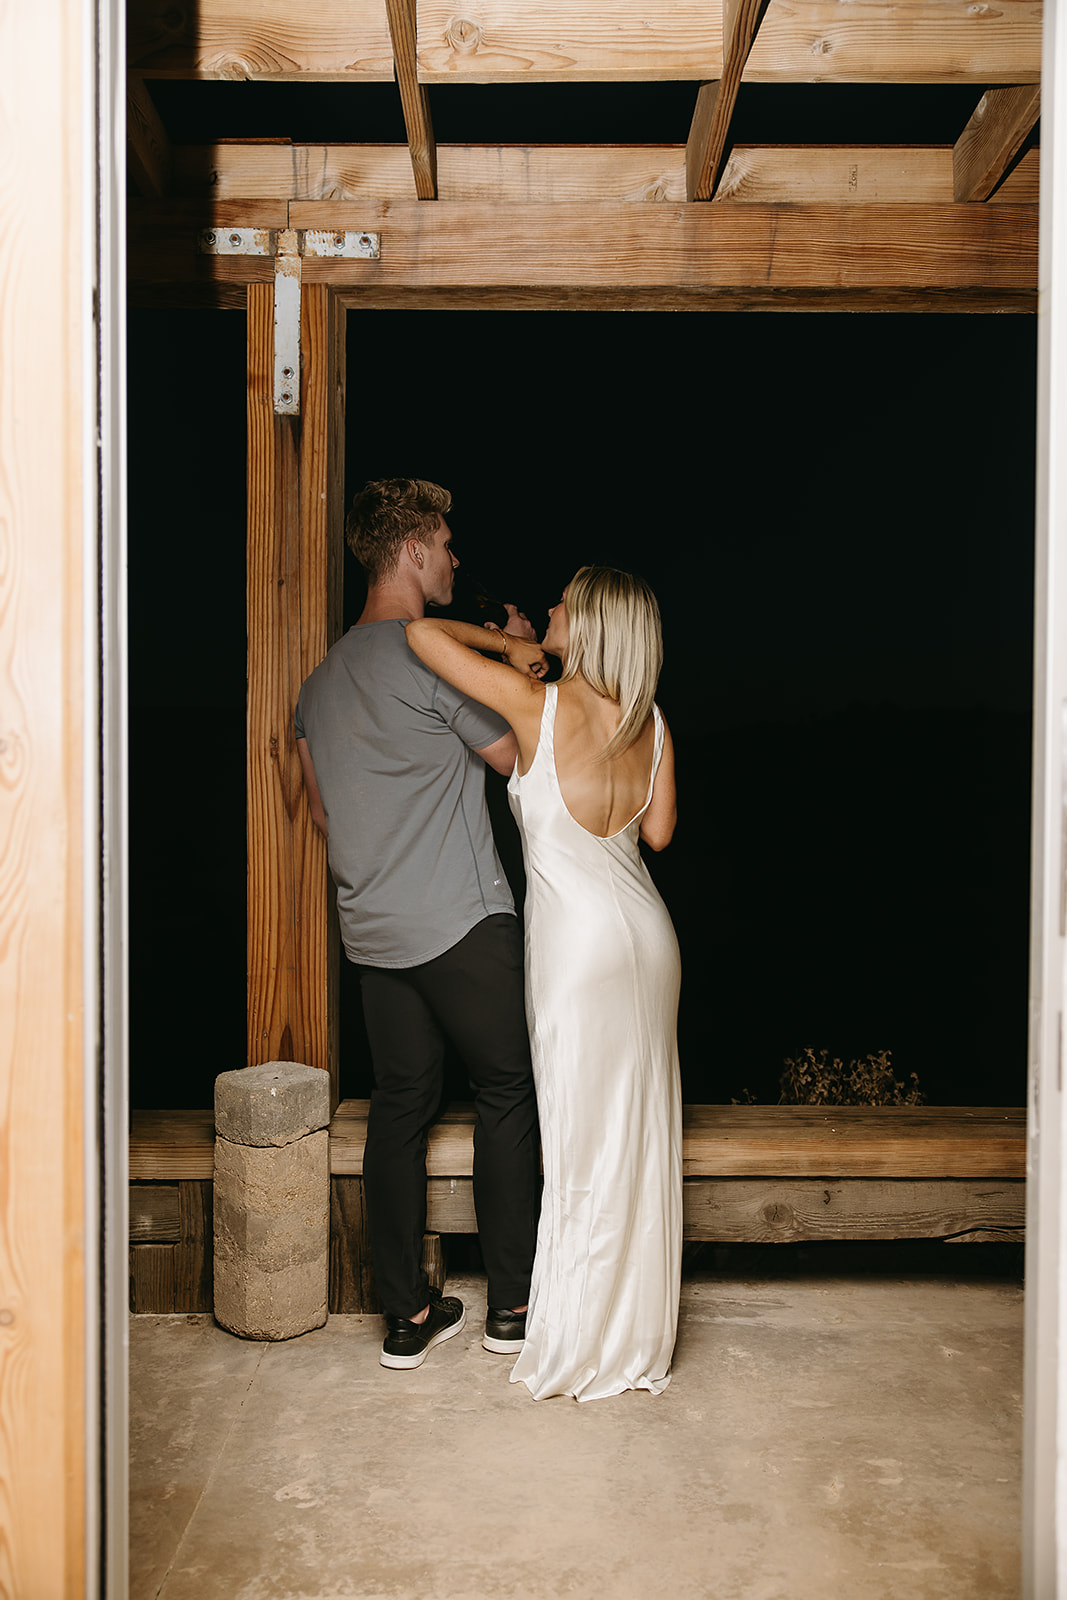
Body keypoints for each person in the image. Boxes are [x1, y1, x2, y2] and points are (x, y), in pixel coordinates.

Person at [406, 566, 682, 1401]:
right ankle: (637, 1335)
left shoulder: (538, 705)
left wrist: (513, 646)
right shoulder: (653, 723)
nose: (551, 608)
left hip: (575, 946)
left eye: (564, 602)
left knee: (576, 1136)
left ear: (588, 624)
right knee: (638, 1135)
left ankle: (576, 1335)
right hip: (647, 933)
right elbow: (659, 834)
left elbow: (421, 636)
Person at [294, 478, 541, 1371]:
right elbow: (518, 758)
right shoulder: (430, 657)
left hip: (375, 938)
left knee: (400, 1107)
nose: (454, 557)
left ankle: (405, 1318)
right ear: (410, 552)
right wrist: (515, 658)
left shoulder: (320, 685)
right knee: (510, 1089)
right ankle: (510, 1306)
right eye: (444, 542)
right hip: (464, 926)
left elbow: (323, 815)